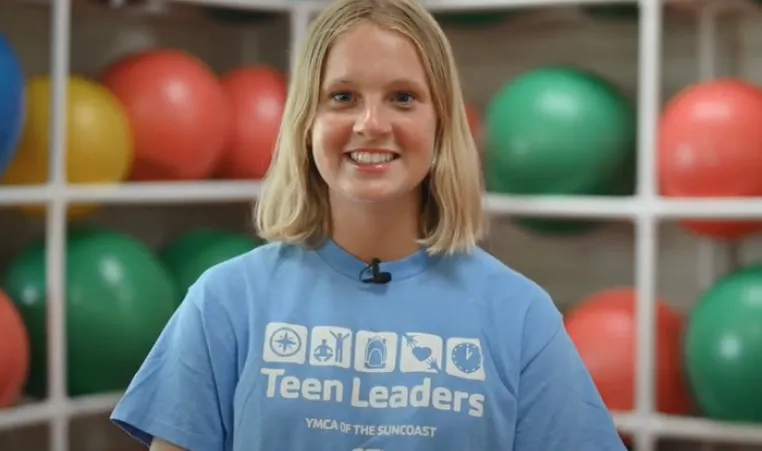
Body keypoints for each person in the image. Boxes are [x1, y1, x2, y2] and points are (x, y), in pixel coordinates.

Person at [110, 0, 627, 449]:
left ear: (441, 122)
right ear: (306, 122)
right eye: (343, 97)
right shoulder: (224, 301)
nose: (371, 124)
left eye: (403, 97)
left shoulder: (520, 315)